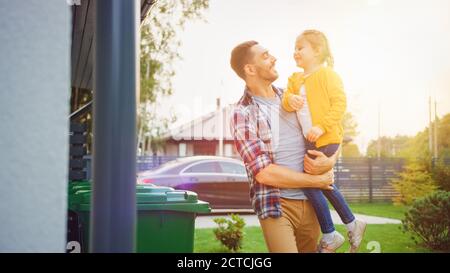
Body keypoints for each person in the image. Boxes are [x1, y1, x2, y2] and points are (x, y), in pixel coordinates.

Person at [230, 40, 337, 253]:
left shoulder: (295, 97)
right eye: (265, 56)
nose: (274, 58)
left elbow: (331, 132)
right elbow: (264, 173)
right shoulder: (242, 113)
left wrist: (331, 160)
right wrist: (316, 180)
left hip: (313, 203)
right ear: (250, 69)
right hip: (277, 205)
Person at [281, 29, 366, 253]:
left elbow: (340, 104)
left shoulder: (328, 75)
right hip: (311, 142)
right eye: (295, 48)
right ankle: (350, 224)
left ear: (317, 51)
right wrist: (291, 99)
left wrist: (321, 126)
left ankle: (331, 232)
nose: (295, 52)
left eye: (301, 48)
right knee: (321, 185)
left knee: (310, 183)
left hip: (327, 138)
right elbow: (285, 101)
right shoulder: (295, 78)